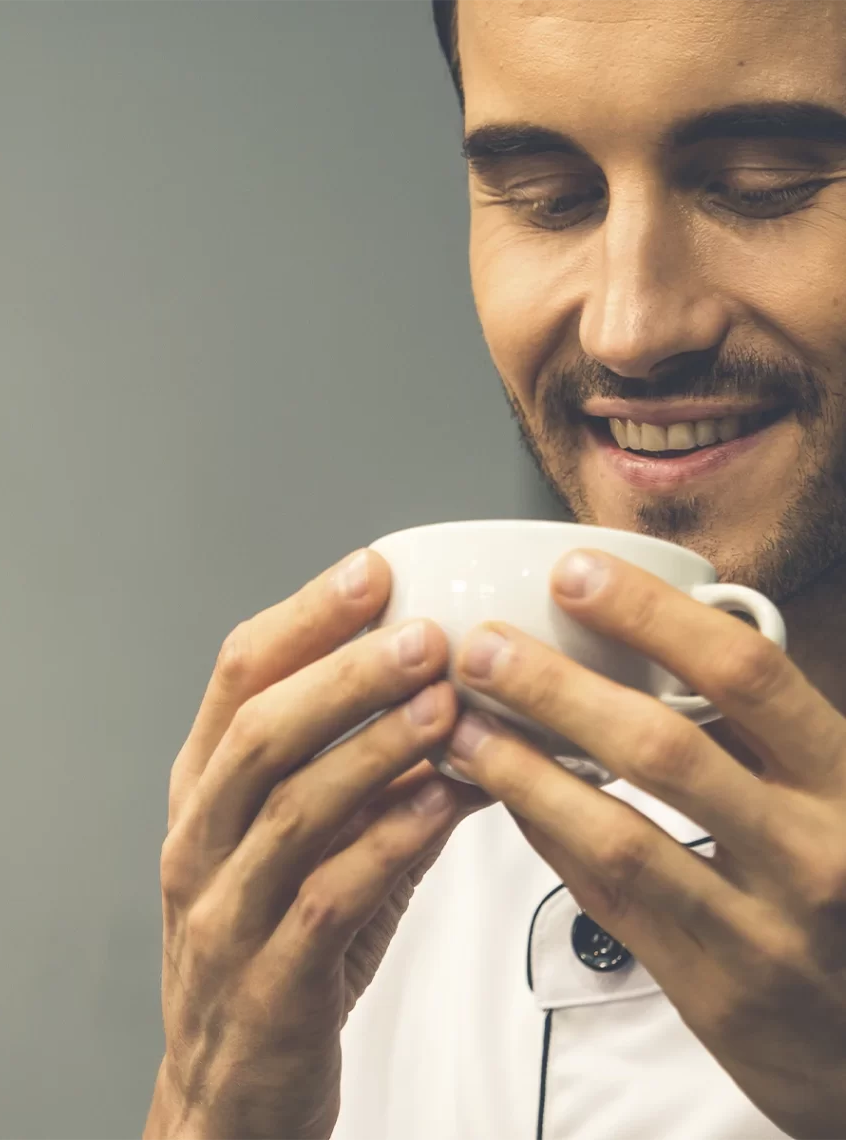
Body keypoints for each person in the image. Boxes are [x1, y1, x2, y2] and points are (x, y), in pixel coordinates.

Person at [142, 0, 846, 1136]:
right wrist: (206, 1100)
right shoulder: (390, 885)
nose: (627, 326)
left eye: (764, 181)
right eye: (546, 198)